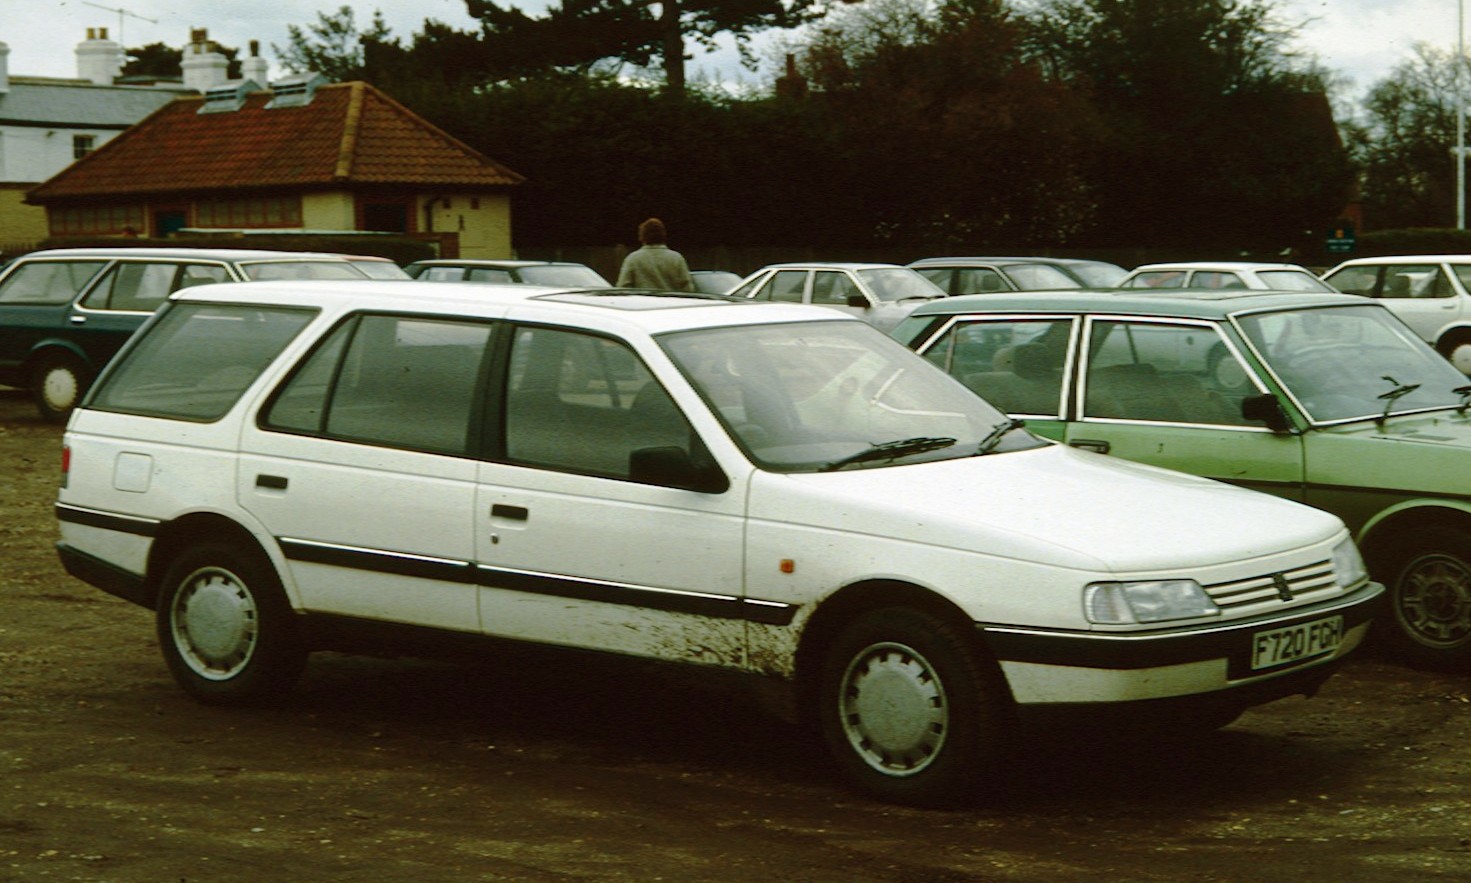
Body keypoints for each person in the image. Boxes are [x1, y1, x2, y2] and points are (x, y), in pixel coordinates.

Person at [617, 217, 694, 291]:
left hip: (643, 303)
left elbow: (623, 287)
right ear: (663, 235)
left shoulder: (633, 259)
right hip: (672, 303)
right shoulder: (676, 258)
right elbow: (687, 288)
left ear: (641, 237)